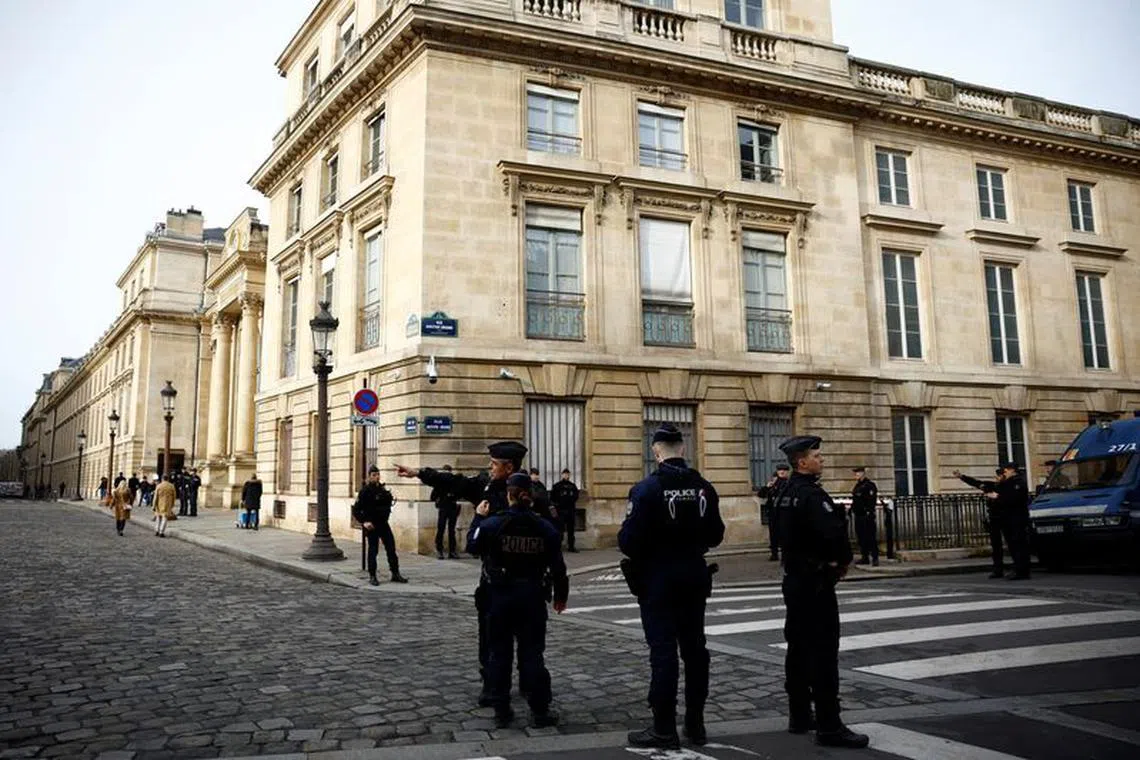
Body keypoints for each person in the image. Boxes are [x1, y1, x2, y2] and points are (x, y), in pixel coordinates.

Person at [396, 440, 529, 707]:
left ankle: (529, 683)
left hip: (525, 578)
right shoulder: (485, 486)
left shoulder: (530, 492)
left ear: (509, 466)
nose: (489, 468)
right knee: (491, 636)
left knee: (527, 638)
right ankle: (493, 685)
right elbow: (453, 481)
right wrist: (419, 473)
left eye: (494, 464)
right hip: (495, 577)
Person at [619, 423, 724, 749]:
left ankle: (664, 727)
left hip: (659, 579)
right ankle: (696, 723)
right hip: (693, 575)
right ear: (683, 448)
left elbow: (628, 541)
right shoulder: (703, 487)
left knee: (663, 653)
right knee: (695, 652)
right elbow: (716, 535)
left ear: (656, 450)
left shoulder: (647, 489)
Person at [778, 435, 869, 749]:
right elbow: (834, 533)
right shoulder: (813, 496)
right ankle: (830, 724)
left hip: (794, 580)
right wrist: (841, 562)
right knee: (823, 653)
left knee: (798, 650)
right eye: (817, 455)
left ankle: (800, 715)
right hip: (816, 582)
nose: (822, 459)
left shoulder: (785, 493)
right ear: (802, 462)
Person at [468, 471, 568, 729]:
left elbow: (472, 545)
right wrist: (561, 595)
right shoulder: (544, 527)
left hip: (500, 596)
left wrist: (478, 516)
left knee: (499, 654)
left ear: (508, 495)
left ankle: (501, 708)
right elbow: (558, 565)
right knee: (532, 654)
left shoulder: (492, 525)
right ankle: (539, 710)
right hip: (532, 596)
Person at [954, 463, 1031, 580]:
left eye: (1002, 473)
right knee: (1000, 545)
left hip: (1015, 518)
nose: (999, 477)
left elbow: (1013, 499)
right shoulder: (1000, 484)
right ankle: (1001, 569)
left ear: (1011, 471)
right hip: (999, 518)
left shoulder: (1018, 483)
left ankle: (1021, 571)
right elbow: (977, 483)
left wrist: (997, 497)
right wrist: (962, 477)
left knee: (1017, 544)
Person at [352, 465, 408, 585]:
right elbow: (356, 510)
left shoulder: (382, 489)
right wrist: (364, 522)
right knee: (373, 551)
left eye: (378, 475)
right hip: (372, 525)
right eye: (374, 475)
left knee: (391, 548)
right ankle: (372, 575)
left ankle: (395, 573)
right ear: (369, 477)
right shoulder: (365, 491)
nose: (377, 477)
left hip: (383, 524)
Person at [755, 464, 790, 561]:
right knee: (773, 534)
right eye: (780, 470)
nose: (781, 472)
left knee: (784, 535)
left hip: (784, 514)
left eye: (784, 470)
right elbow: (761, 494)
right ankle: (774, 554)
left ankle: (785, 555)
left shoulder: (789, 484)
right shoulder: (773, 485)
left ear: (787, 472)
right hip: (773, 513)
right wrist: (767, 487)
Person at [850, 467, 879, 567]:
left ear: (863, 473)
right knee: (861, 538)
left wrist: (869, 512)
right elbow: (855, 500)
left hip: (867, 515)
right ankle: (865, 557)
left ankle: (875, 558)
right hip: (859, 515)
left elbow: (871, 500)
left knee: (870, 537)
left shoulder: (869, 485)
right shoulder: (858, 485)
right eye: (855, 473)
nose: (856, 475)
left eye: (858, 473)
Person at [431, 465, 461, 559]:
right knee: (450, 530)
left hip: (444, 507)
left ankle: (440, 550)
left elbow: (432, 496)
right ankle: (451, 551)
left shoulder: (440, 482)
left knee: (442, 528)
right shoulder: (454, 482)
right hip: (450, 506)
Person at [549, 468, 581, 552]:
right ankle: (558, 546)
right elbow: (552, 498)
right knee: (560, 530)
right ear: (562, 475)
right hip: (561, 510)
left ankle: (571, 546)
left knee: (571, 530)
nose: (566, 476)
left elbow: (576, 496)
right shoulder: (557, 486)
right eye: (565, 474)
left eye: (568, 474)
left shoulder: (572, 486)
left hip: (570, 510)